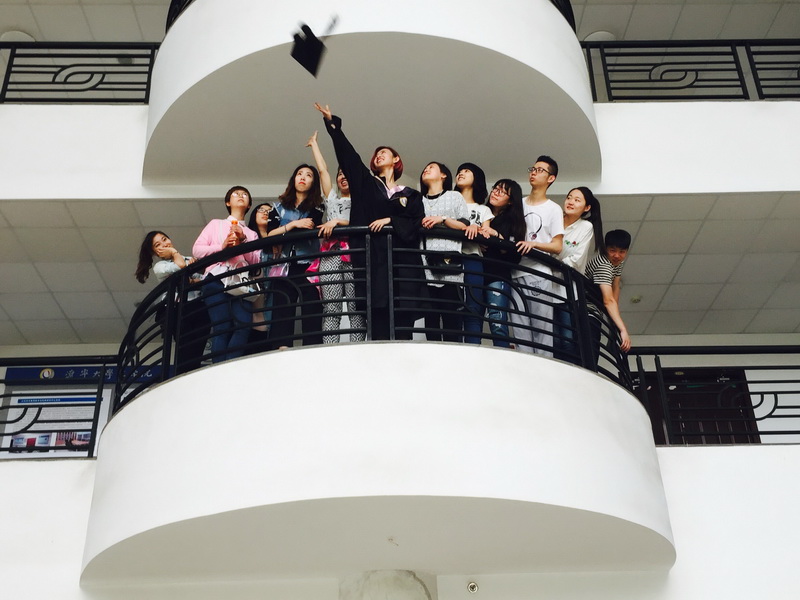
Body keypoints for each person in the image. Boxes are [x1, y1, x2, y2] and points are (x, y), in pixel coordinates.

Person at [315, 102, 425, 340]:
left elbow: (417, 222)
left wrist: (390, 220)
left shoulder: (411, 194)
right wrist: (333, 127)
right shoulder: (367, 184)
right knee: (377, 326)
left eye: (384, 152)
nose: (378, 155)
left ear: (396, 159)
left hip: (402, 264)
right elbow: (349, 158)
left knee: (403, 330)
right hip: (373, 261)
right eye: (376, 154)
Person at [306, 131, 366, 343]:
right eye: (340, 173)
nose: (342, 176)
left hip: (355, 255)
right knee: (331, 309)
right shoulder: (331, 199)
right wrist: (314, 145)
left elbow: (364, 224)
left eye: (346, 173)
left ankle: (357, 352)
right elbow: (323, 171)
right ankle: (329, 352)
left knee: (356, 309)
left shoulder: (363, 202)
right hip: (331, 255)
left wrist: (337, 222)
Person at [192, 186, 260, 363]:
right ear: (228, 202)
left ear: (249, 205)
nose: (240, 196)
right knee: (221, 326)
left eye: (244, 194)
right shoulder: (216, 224)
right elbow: (197, 250)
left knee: (244, 324)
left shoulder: (251, 234)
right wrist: (221, 247)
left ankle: (229, 365)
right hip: (216, 277)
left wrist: (243, 240)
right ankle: (220, 367)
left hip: (240, 281)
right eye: (235, 194)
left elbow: (255, 261)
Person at [135, 231, 211, 373]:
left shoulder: (190, 259)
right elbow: (180, 266)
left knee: (199, 345)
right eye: (158, 244)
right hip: (178, 309)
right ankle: (182, 375)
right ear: (155, 252)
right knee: (185, 346)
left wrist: (193, 279)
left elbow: (206, 278)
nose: (164, 244)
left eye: (165, 239)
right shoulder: (160, 266)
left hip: (198, 306)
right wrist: (174, 252)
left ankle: (191, 374)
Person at [511, 155, 564, 356]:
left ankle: (544, 369)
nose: (533, 172)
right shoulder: (518, 204)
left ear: (551, 178)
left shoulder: (553, 209)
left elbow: (557, 246)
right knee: (519, 330)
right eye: (532, 169)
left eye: (540, 170)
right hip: (515, 272)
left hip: (538, 273)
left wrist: (533, 245)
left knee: (542, 329)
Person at [268, 164, 325, 348]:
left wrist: (282, 232)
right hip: (284, 264)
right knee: (282, 306)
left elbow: (309, 227)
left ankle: (311, 347)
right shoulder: (277, 208)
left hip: (309, 264)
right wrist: (293, 225)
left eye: (308, 175)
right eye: (299, 173)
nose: (303, 177)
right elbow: (269, 235)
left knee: (311, 306)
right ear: (293, 179)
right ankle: (282, 347)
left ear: (313, 182)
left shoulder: (318, 207)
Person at [553, 187, 605, 364]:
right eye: (569, 198)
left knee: (567, 339)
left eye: (577, 200)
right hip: (545, 287)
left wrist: (550, 264)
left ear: (586, 208)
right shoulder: (554, 220)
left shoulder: (585, 227)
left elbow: (576, 260)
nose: (570, 202)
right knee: (552, 338)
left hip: (568, 291)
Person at [420, 161, 469, 342]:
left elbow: (464, 225)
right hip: (425, 269)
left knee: (452, 325)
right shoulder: (419, 200)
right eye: (425, 168)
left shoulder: (454, 196)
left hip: (451, 270)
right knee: (430, 325)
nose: (426, 169)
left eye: (431, 167)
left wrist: (442, 219)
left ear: (443, 175)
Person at [479, 180, 526, 347]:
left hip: (498, 274)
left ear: (511, 200)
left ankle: (503, 354)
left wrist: (496, 236)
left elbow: (515, 256)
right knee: (473, 319)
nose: (495, 193)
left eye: (502, 191)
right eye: (495, 188)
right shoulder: (481, 212)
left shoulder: (513, 221)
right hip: (476, 271)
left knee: (497, 320)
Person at [455, 162, 492, 344]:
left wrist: (477, 229)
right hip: (450, 258)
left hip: (473, 258)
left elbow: (487, 233)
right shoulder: (449, 203)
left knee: (473, 308)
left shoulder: (483, 209)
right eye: (459, 171)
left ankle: (473, 352)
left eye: (466, 171)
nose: (461, 173)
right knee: (451, 310)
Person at [584, 229, 632, 367]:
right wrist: (622, 329)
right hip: (586, 309)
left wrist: (614, 322)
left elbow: (615, 287)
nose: (617, 255)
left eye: (622, 252)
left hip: (595, 309)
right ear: (605, 249)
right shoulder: (604, 265)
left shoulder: (616, 263)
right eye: (612, 250)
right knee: (590, 351)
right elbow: (608, 300)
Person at [246, 202, 281, 353]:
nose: (265, 213)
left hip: (271, 307)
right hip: (251, 305)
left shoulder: (279, 242)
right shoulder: (248, 238)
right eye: (261, 210)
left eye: (269, 211)